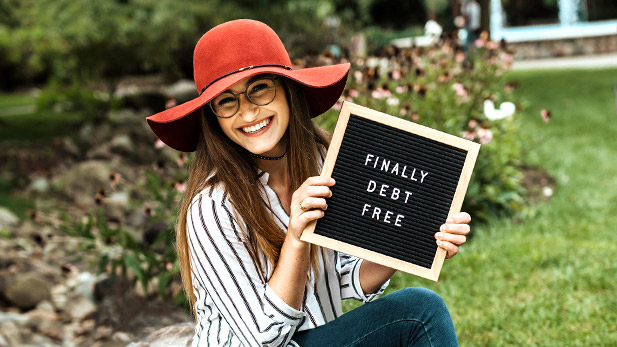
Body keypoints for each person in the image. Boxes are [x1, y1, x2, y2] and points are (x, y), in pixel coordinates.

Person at [146, 19, 471, 347]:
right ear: (213, 118)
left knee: (418, 309)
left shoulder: (324, 161)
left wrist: (420, 236)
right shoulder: (212, 207)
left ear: (288, 90)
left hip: (314, 340)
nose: (247, 113)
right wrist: (297, 238)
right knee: (420, 309)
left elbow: (343, 279)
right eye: (227, 101)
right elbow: (263, 339)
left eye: (260, 88)